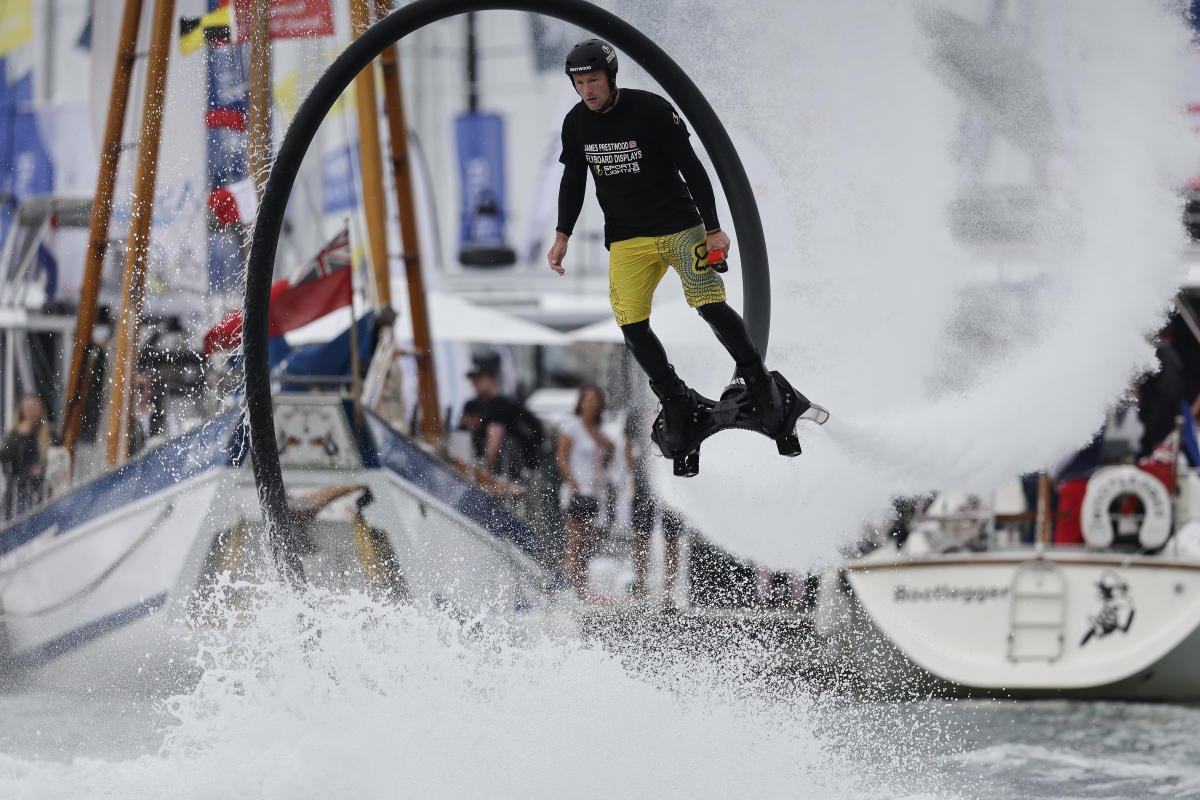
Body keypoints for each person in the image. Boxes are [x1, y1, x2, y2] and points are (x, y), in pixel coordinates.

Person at [547, 39, 812, 454]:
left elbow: (693, 168)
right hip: (627, 238)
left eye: (593, 81)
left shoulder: (651, 110)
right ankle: (674, 398)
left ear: (610, 77)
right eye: (579, 84)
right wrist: (563, 234)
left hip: (679, 227)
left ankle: (757, 380)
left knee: (709, 304)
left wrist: (713, 228)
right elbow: (573, 181)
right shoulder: (576, 122)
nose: (587, 91)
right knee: (631, 326)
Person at [557, 385, 615, 598]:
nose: (591, 404)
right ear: (581, 403)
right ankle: (567, 586)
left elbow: (608, 453)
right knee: (574, 540)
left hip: (594, 492)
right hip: (576, 490)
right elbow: (561, 457)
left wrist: (608, 454)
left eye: (595, 401)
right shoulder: (572, 427)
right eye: (588, 399)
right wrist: (574, 482)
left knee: (587, 543)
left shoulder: (598, 431)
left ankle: (581, 588)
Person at [465, 351, 526, 479]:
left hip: (503, 475)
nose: (475, 382)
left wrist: (484, 472)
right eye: (474, 379)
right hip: (493, 471)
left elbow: (494, 440)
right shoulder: (477, 404)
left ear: (493, 378)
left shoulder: (499, 404)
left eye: (479, 378)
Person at [1, 393, 51, 518]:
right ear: (22, 411)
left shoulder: (49, 434)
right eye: (27, 408)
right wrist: (18, 435)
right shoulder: (14, 434)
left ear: (40, 410)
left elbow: (56, 458)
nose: (31, 412)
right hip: (19, 491)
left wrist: (41, 469)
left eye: (34, 408)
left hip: (42, 489)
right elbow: (4, 455)